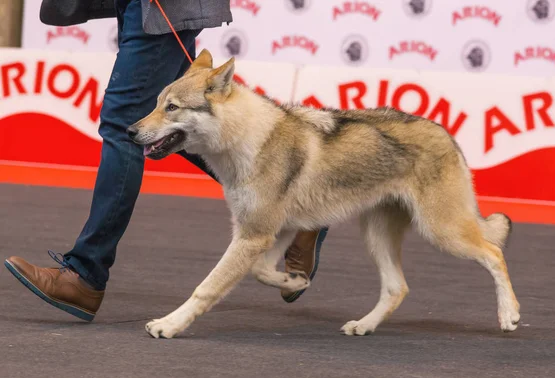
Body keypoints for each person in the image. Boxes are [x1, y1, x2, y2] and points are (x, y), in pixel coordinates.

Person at [4, 0, 328, 322]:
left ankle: (84, 275)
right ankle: (299, 209)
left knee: (126, 127)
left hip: (160, 7)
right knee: (175, 126)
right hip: (147, 7)